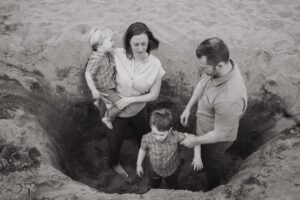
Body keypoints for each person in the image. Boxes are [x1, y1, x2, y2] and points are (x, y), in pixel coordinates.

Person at [180, 37, 247, 191]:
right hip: (206, 126)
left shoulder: (229, 99)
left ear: (220, 65)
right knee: (204, 155)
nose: (202, 70)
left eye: (204, 67)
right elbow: (203, 82)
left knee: (212, 163)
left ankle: (213, 187)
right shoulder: (220, 67)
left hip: (217, 139)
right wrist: (188, 107)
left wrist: (195, 140)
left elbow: (219, 134)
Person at [105, 22, 165, 177]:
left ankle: (144, 157)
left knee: (143, 136)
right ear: (128, 43)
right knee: (114, 144)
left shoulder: (155, 65)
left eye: (143, 44)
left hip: (138, 110)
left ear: (149, 42)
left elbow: (154, 95)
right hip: (115, 111)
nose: (140, 48)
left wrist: (129, 100)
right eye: (135, 44)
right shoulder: (117, 54)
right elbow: (97, 54)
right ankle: (115, 163)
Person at [136, 108, 186, 189]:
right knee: (153, 185)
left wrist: (197, 156)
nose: (157, 137)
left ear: (170, 130)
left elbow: (193, 139)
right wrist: (138, 164)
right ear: (151, 127)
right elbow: (142, 149)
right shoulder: (147, 138)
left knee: (173, 185)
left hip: (172, 170)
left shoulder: (176, 136)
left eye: (162, 135)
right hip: (155, 170)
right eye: (154, 133)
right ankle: (154, 189)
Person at [85, 28, 123, 130]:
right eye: (111, 40)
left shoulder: (105, 53)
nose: (113, 42)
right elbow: (88, 74)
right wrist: (93, 90)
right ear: (101, 45)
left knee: (104, 97)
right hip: (106, 89)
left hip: (106, 84)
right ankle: (108, 117)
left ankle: (98, 101)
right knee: (121, 104)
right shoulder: (96, 59)